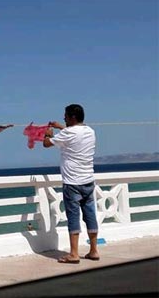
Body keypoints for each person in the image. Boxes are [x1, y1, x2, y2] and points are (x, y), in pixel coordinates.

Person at [43, 104, 100, 264]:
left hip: (72, 183)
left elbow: (47, 144)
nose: (64, 118)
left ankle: (74, 254)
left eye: (65, 116)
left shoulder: (67, 133)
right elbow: (74, 133)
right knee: (90, 215)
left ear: (72, 117)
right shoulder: (90, 131)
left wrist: (47, 135)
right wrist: (60, 127)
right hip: (88, 181)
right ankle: (94, 250)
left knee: (73, 217)